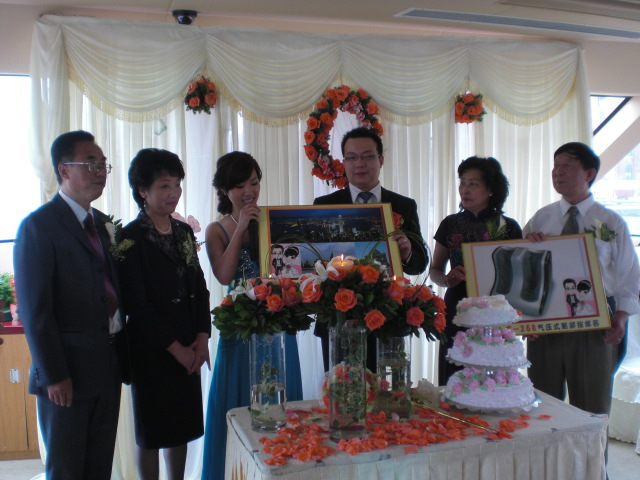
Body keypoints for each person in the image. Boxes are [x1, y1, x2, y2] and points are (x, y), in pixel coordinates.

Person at [13, 130, 125, 479]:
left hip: (107, 366)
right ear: (64, 170)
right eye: (90, 163)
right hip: (66, 374)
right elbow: (35, 311)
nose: (100, 171)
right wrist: (54, 375)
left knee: (99, 466)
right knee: (67, 468)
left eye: (103, 164)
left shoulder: (104, 224)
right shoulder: (39, 226)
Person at [201, 151, 303, 480]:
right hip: (240, 327)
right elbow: (224, 275)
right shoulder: (216, 229)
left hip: (277, 323)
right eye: (240, 185)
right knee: (237, 399)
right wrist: (242, 225)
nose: (249, 191)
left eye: (254, 183)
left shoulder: (272, 221)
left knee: (281, 400)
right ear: (224, 190)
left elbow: (289, 272)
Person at [523, 142, 640, 414]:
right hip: (545, 319)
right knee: (542, 402)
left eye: (567, 165)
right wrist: (526, 318)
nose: (558, 172)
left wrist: (621, 316)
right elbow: (522, 270)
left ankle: (592, 446)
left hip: (595, 319)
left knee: (591, 403)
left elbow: (628, 275)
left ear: (589, 173)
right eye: (555, 166)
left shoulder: (610, 222)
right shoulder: (542, 218)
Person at [117, 149, 211, 480]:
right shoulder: (128, 238)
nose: (173, 193)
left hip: (189, 341)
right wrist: (177, 349)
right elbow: (137, 304)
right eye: (164, 186)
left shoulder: (183, 233)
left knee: (180, 428)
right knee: (152, 431)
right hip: (151, 349)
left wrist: (202, 338)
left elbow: (200, 287)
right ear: (143, 190)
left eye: (177, 185)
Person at [313, 127, 428, 372]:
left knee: (385, 388)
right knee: (341, 386)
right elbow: (316, 264)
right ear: (344, 163)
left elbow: (420, 263)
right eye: (352, 157)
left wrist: (407, 253)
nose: (360, 163)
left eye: (367, 156)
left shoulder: (403, 205)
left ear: (381, 160)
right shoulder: (324, 205)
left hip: (388, 317)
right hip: (338, 316)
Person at [429, 156, 522, 385]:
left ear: (490, 189)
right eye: (462, 182)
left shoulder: (509, 227)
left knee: (491, 379)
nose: (465, 189)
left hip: (495, 310)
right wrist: (446, 280)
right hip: (457, 306)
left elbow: (518, 276)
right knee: (454, 376)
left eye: (473, 183)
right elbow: (435, 270)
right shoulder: (450, 223)